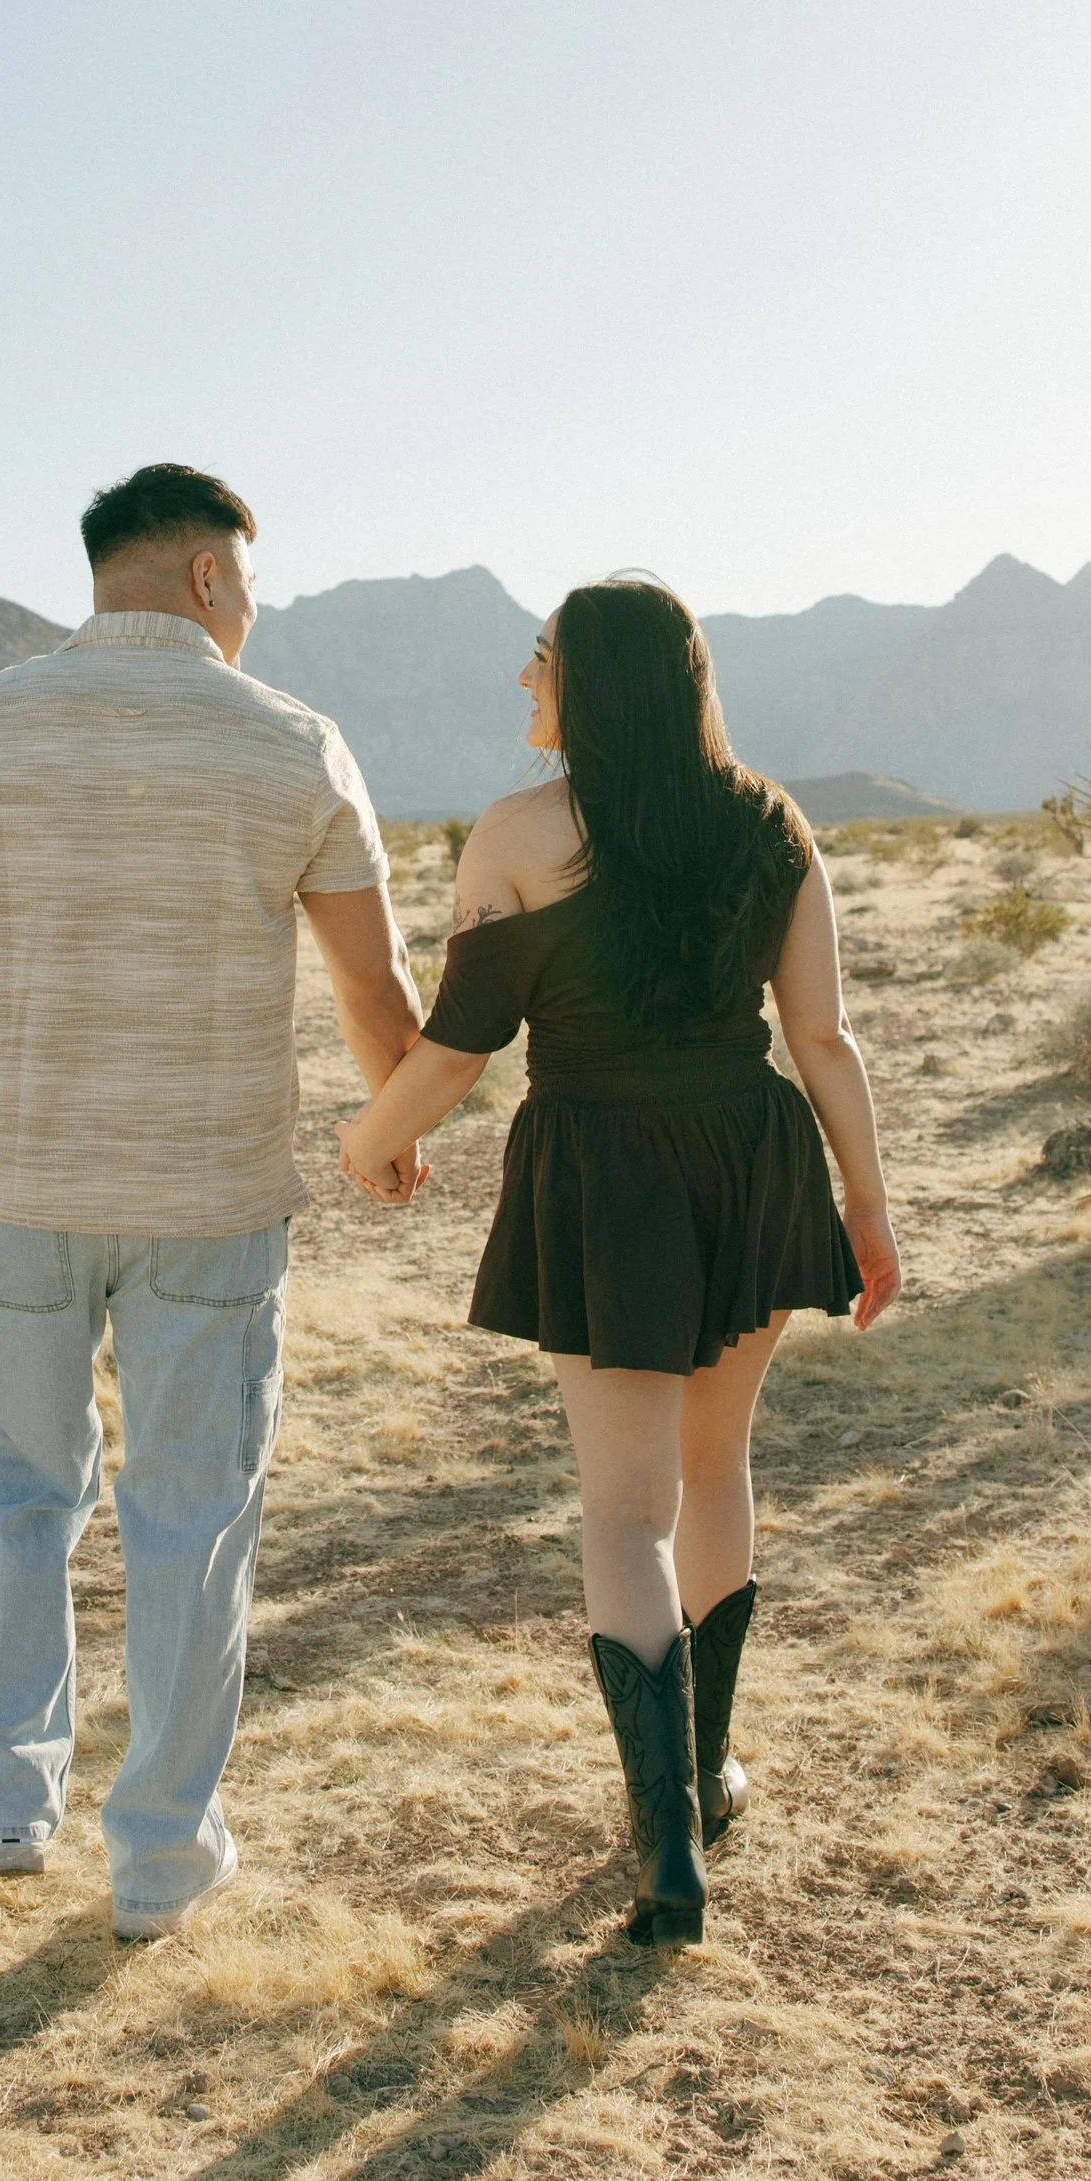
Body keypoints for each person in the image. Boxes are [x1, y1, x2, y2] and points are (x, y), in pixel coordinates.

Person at [0, 465, 422, 1938]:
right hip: (209, 1194)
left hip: (20, 1181)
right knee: (192, 1516)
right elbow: (371, 985)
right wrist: (393, 1124)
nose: (255, 606)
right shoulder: (291, 743)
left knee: (9, 1489)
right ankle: (158, 1858)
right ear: (209, 576)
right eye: (250, 580)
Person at [337, 578, 900, 1948]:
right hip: (750, 1158)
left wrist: (369, 1144)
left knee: (623, 1510)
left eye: (539, 660)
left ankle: (668, 1854)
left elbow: (459, 1047)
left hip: (608, 1175)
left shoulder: (519, 833)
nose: (524, 681)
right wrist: (867, 1209)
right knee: (714, 1469)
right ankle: (704, 1781)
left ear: (589, 680)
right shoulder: (772, 821)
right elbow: (821, 1038)